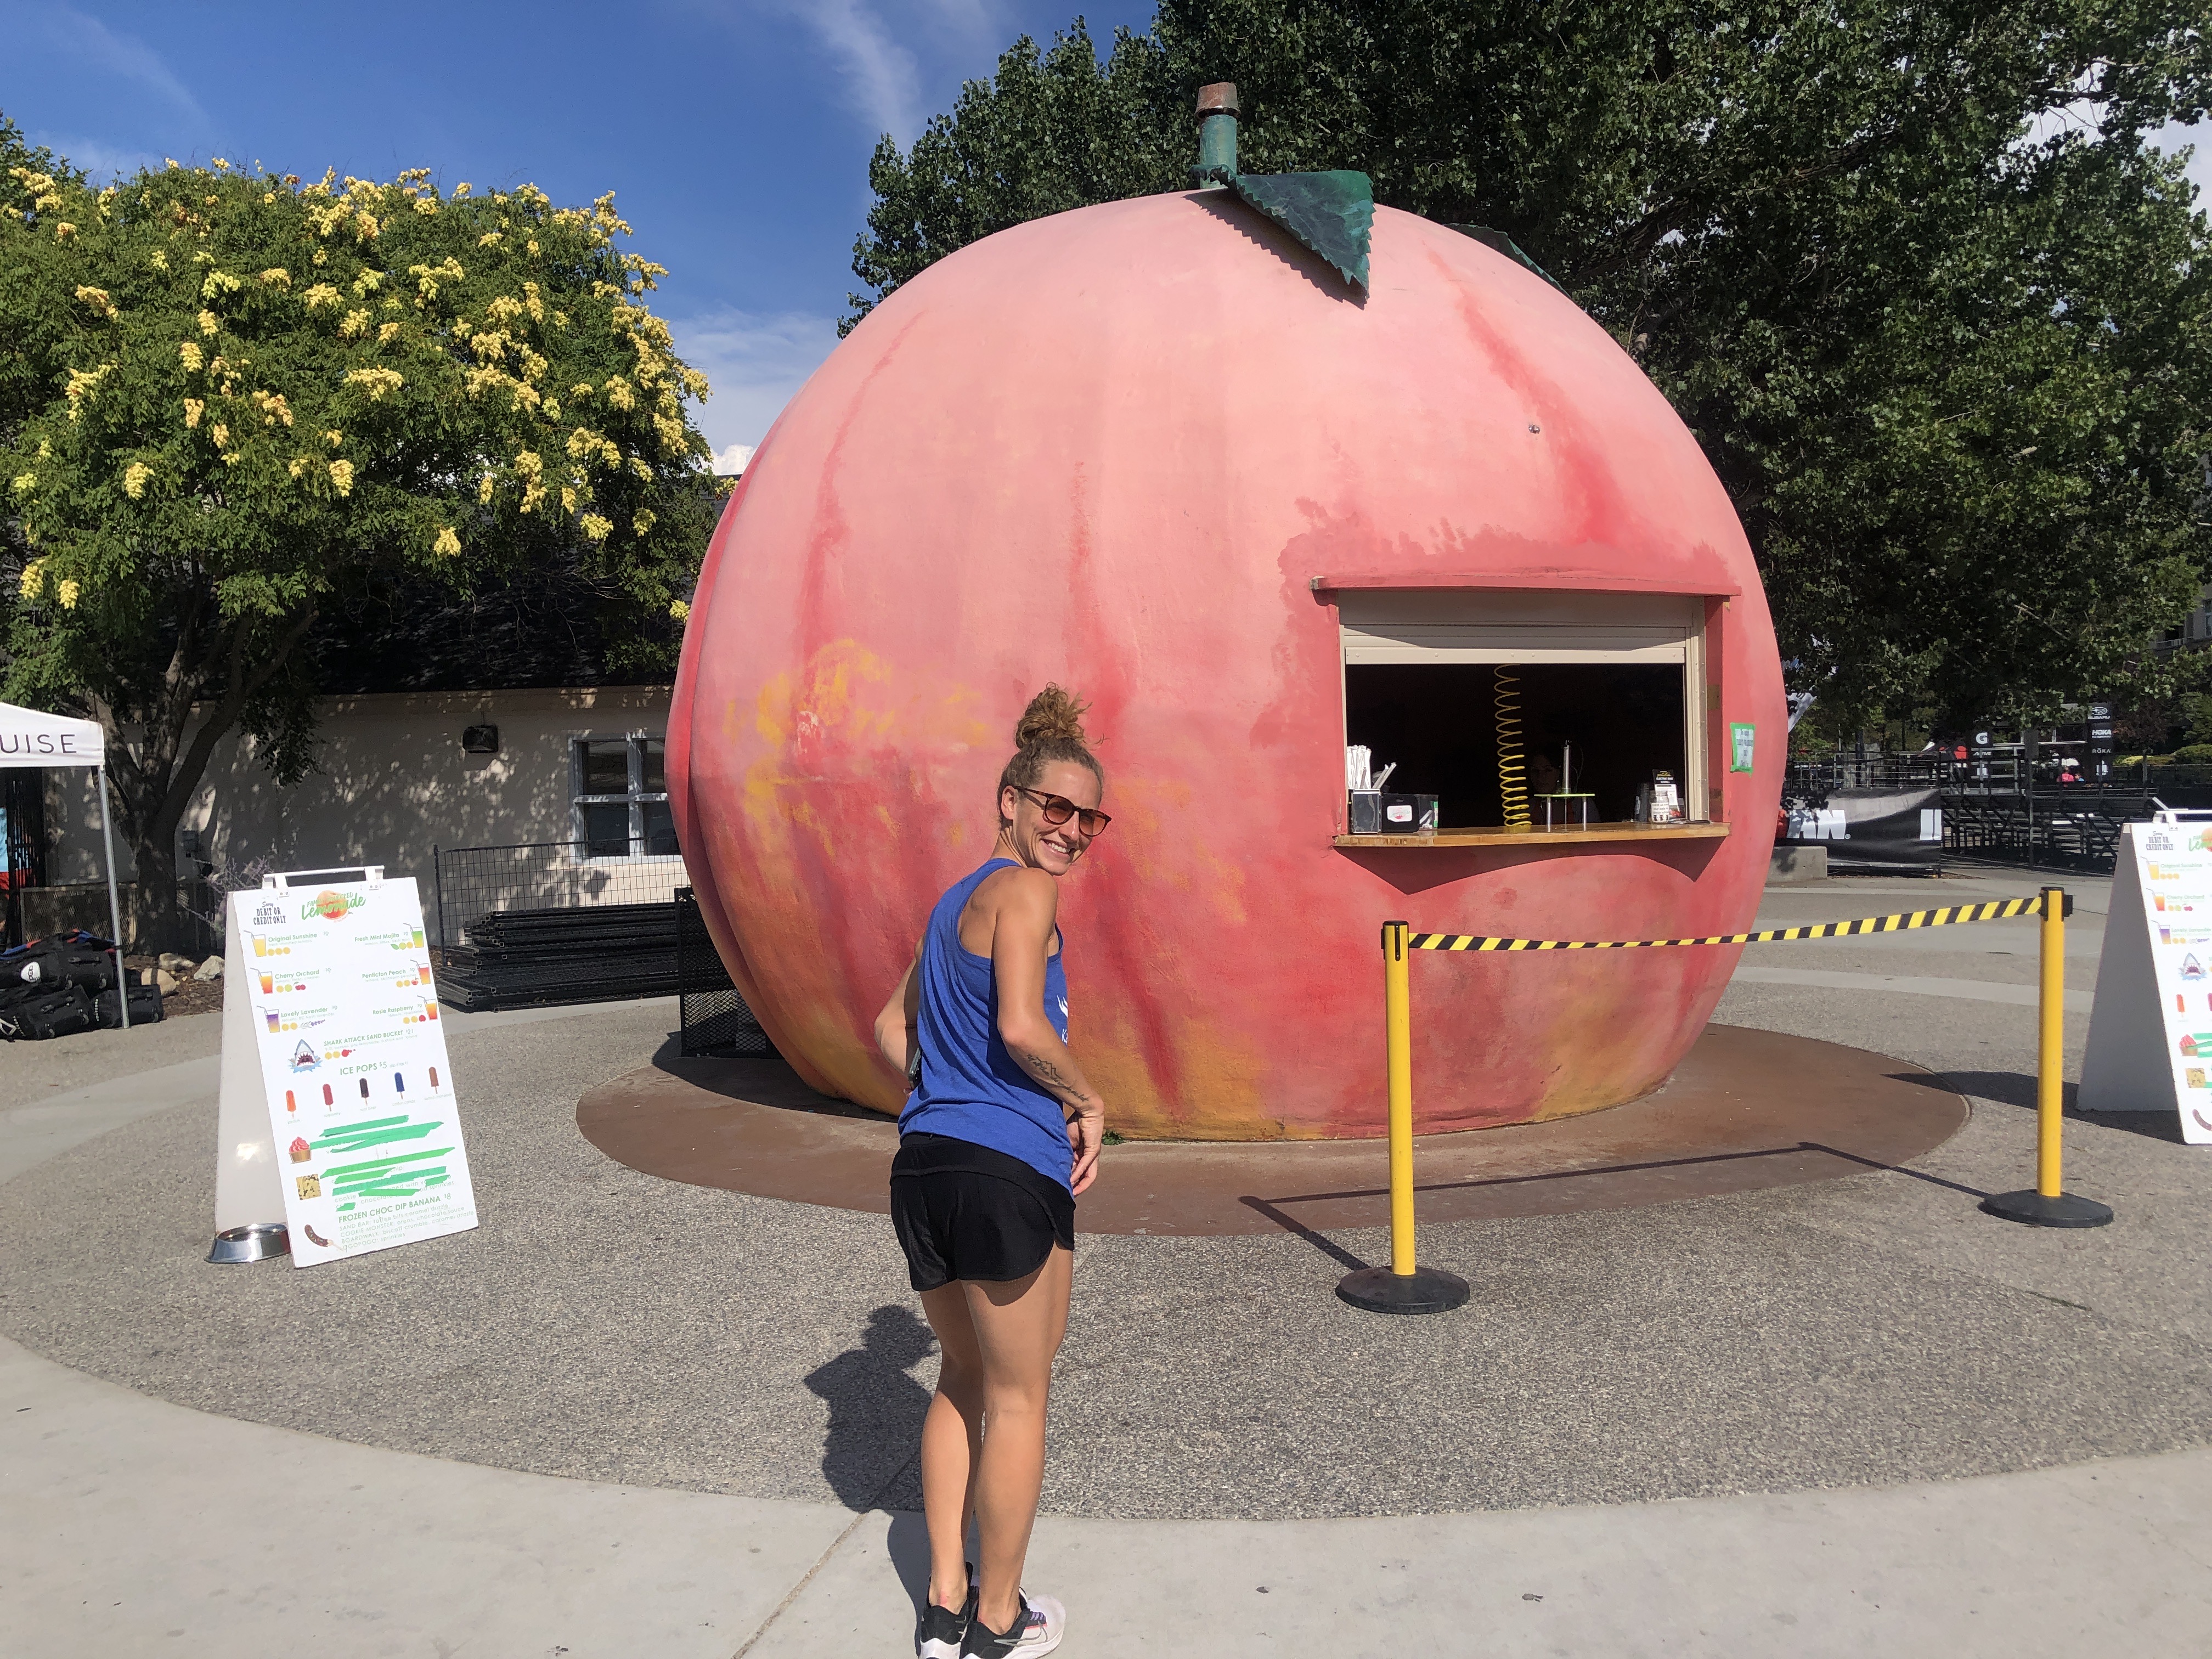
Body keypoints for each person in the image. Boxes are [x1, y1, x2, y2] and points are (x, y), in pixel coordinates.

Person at [873, 685, 1110, 1659]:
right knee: (1020, 1397)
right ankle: (1000, 1621)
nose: (1072, 830)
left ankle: (944, 1605)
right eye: (1055, 807)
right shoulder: (1025, 892)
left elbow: (887, 1028)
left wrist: (946, 1093)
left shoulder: (949, 906)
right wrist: (1087, 1100)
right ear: (1009, 801)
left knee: (964, 1375)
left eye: (1090, 818)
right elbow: (1019, 1026)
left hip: (924, 1168)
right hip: (1006, 1170)